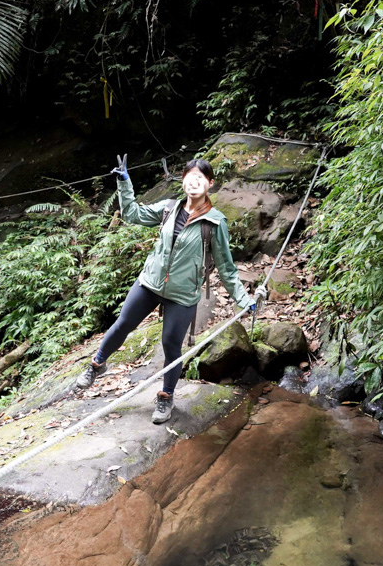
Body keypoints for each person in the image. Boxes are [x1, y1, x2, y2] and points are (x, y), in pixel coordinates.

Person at [75, 154, 264, 423]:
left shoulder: (215, 222)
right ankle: (97, 365)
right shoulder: (168, 209)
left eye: (201, 178)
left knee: (171, 346)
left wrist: (243, 299)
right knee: (123, 324)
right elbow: (132, 214)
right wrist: (124, 183)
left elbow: (226, 267)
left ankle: (165, 397)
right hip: (150, 282)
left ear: (210, 183)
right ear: (183, 180)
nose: (194, 181)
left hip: (182, 294)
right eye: (190, 176)